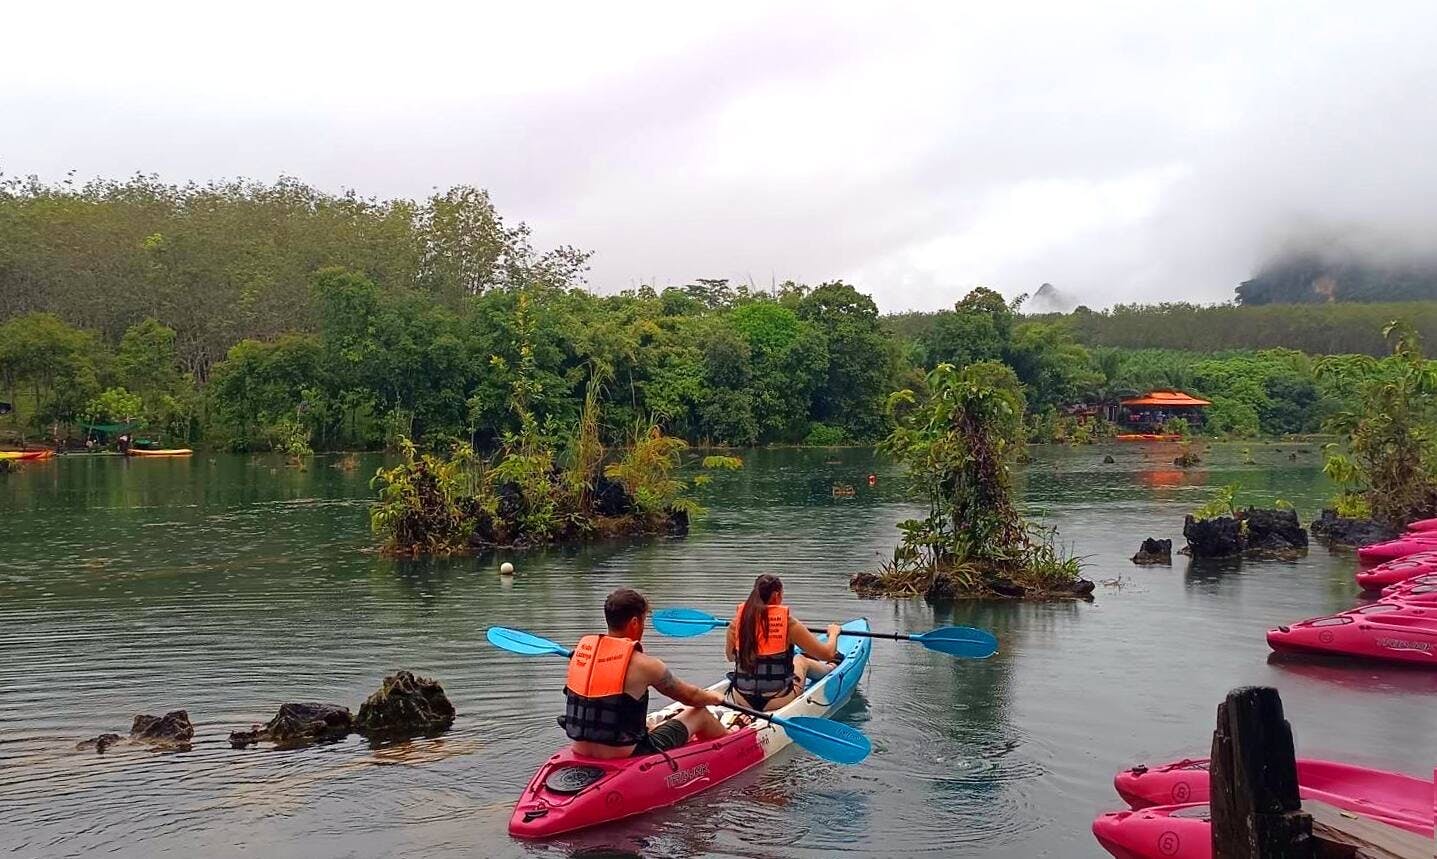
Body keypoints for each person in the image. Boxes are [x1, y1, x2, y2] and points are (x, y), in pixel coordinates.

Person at [560, 587, 728, 759]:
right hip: (625, 751)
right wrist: (714, 697)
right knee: (700, 713)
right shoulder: (646, 665)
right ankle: (732, 744)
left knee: (650, 723)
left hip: (579, 747)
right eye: (643, 620)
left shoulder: (580, 657)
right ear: (634, 622)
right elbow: (691, 697)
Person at [726, 574, 841, 711]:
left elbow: (731, 657)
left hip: (741, 698)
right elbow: (827, 654)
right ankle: (831, 668)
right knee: (800, 659)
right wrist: (833, 633)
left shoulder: (736, 623)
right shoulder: (789, 624)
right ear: (776, 595)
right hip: (778, 699)